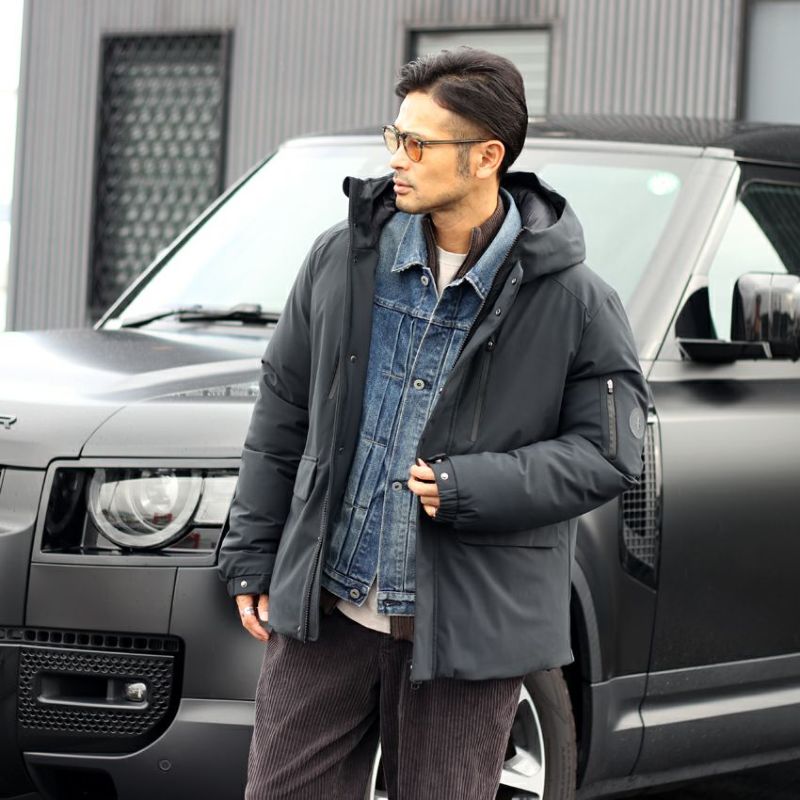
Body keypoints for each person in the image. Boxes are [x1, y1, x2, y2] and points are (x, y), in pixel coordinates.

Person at [218, 47, 648, 799]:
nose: (397, 158)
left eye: (418, 144)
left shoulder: (577, 301)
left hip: (468, 628)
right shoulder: (339, 260)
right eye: (395, 136)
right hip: (328, 608)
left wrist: (468, 486)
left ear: (486, 157)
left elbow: (608, 455)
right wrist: (252, 552)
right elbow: (282, 410)